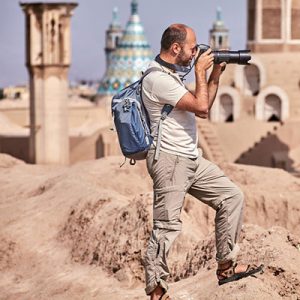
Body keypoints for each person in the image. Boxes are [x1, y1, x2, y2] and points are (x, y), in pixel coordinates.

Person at [142, 24, 263, 300]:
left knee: (232, 197)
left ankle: (226, 267)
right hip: (170, 161)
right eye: (192, 47)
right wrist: (199, 70)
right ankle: (157, 291)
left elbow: (202, 106)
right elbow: (201, 107)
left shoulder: (171, 75)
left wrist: (216, 73)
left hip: (190, 158)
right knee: (167, 226)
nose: (196, 51)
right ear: (176, 48)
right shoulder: (157, 79)